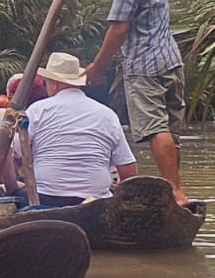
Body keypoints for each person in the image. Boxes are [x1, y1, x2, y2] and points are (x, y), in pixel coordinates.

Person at [83, 0, 189, 205]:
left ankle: (176, 192)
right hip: (170, 59)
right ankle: (176, 189)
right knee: (169, 131)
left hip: (144, 65)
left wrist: (97, 67)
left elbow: (119, 28)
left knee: (156, 129)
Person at [18, 52, 138, 206]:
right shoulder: (107, 114)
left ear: (54, 84)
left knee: (13, 192)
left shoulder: (37, 110)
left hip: (45, 196)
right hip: (96, 200)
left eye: (46, 83)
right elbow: (128, 169)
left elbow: (16, 152)